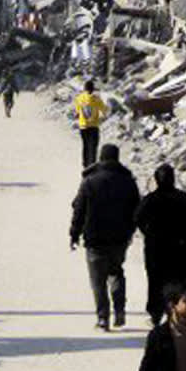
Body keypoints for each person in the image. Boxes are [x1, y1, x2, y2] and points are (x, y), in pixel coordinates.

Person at [68, 141, 141, 330]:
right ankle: (120, 311)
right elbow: (137, 210)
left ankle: (103, 317)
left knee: (97, 280)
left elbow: (79, 209)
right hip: (119, 238)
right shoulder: (128, 181)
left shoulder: (89, 181)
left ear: (100, 158)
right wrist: (130, 231)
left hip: (95, 238)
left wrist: (74, 234)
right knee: (116, 271)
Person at [134, 164, 186, 326]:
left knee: (155, 282)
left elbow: (138, 218)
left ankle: (156, 314)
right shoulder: (183, 198)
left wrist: (149, 232)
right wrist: (184, 237)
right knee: (180, 282)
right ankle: (179, 312)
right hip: (180, 250)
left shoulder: (150, 200)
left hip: (156, 250)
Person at [71, 78, 108, 168]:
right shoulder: (96, 99)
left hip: (83, 126)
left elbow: (77, 113)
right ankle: (92, 164)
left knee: (85, 146)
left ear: (84, 88)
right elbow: (104, 110)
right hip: (93, 126)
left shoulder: (79, 98)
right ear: (93, 89)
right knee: (93, 147)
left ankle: (85, 164)